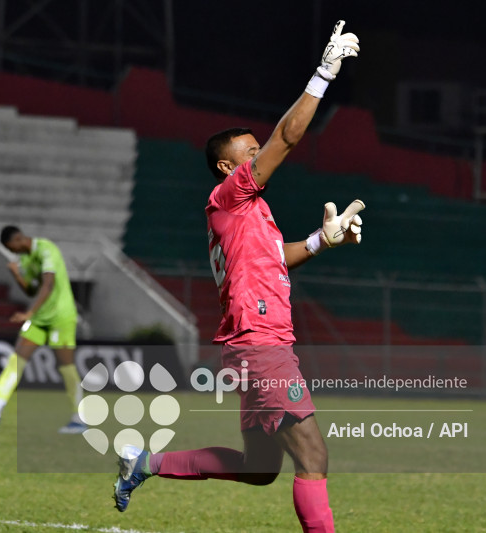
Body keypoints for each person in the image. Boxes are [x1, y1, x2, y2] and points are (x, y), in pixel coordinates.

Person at [112, 21, 362, 532]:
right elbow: (288, 137)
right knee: (313, 457)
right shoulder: (229, 198)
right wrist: (324, 73)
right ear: (228, 168)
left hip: (252, 342)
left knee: (260, 468)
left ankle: (146, 462)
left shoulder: (251, 214)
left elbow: (275, 256)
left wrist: (321, 240)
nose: (260, 155)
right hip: (260, 341)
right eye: (251, 152)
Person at [0, 226, 86, 434]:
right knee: (16, 360)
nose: (11, 252)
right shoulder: (25, 259)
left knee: (66, 367)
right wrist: (15, 274)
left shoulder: (47, 249)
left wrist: (29, 313)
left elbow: (48, 284)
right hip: (39, 319)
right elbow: (31, 288)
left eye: (10, 247)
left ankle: (81, 418)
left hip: (61, 317)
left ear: (18, 240)